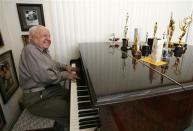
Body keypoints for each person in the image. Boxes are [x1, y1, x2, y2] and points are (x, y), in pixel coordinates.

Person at [19, 25, 78, 131]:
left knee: (72, 97)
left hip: (48, 90)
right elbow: (46, 77)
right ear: (32, 38)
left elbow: (52, 63)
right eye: (44, 36)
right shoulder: (31, 50)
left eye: (49, 36)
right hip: (36, 99)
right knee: (68, 109)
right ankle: (70, 127)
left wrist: (65, 67)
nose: (48, 38)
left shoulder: (41, 50)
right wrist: (66, 75)